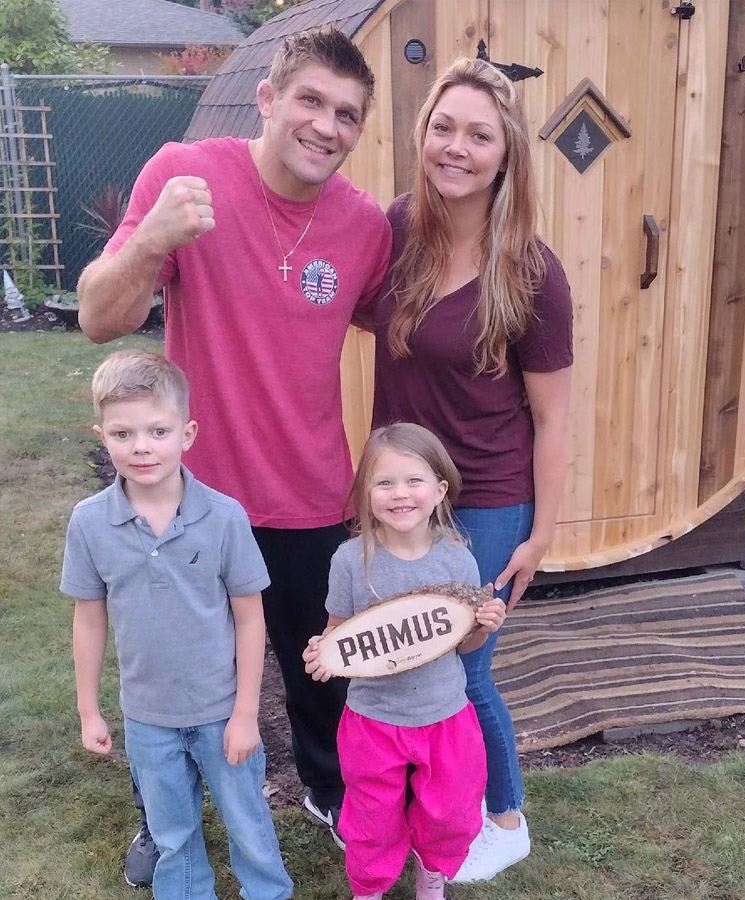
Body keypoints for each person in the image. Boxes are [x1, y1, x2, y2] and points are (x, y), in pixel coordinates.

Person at [76, 28, 393, 880]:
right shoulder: (187, 174)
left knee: (320, 672)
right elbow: (98, 317)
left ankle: (329, 792)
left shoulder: (364, 226)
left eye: (347, 115)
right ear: (267, 98)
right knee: (172, 675)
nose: (327, 126)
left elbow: (408, 324)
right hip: (189, 502)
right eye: (312, 102)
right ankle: (163, 811)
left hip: (311, 495)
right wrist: (152, 242)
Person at [369, 57, 574, 882]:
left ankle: (505, 815)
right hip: (400, 496)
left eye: (477, 134)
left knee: (462, 663)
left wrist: (541, 536)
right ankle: (427, 809)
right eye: (442, 128)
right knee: (411, 655)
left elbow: (554, 416)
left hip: (487, 502)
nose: (456, 146)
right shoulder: (395, 231)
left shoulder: (531, 270)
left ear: (506, 153)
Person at [62, 350, 293, 900]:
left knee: (249, 826)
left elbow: (250, 617)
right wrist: (88, 707)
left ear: (187, 433)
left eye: (157, 430)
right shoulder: (90, 522)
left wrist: (245, 713)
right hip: (147, 718)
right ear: (102, 435)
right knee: (172, 835)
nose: (141, 446)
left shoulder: (224, 516)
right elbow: (89, 619)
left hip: (220, 713)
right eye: (122, 433)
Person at [302, 423, 508, 900]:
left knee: (452, 813)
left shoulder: (457, 561)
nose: (400, 494)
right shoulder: (350, 560)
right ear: (364, 494)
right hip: (373, 721)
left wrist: (481, 625)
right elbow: (337, 632)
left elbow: (464, 647)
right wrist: (323, 654)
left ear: (439, 490)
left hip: (445, 718)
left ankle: (432, 871)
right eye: (384, 483)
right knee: (371, 817)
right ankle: (369, 888)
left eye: (414, 481)